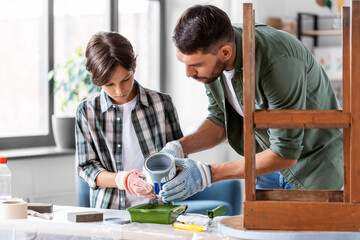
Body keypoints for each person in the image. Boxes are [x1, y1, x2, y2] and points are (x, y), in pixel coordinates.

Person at [160, 5, 343, 203]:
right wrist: (177, 147)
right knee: (264, 234)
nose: (188, 73)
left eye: (195, 65)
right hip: (265, 164)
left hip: (313, 169)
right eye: (184, 63)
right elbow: (220, 121)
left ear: (226, 52)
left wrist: (208, 174)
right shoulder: (214, 59)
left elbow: (286, 153)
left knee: (305, 235)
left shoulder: (278, 61)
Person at [75, 32, 183, 209]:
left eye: (125, 79)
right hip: (109, 214)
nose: (119, 91)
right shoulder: (87, 112)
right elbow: (86, 167)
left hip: (159, 210)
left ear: (134, 65)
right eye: (109, 84)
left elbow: (180, 156)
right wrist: (123, 179)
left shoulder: (161, 104)